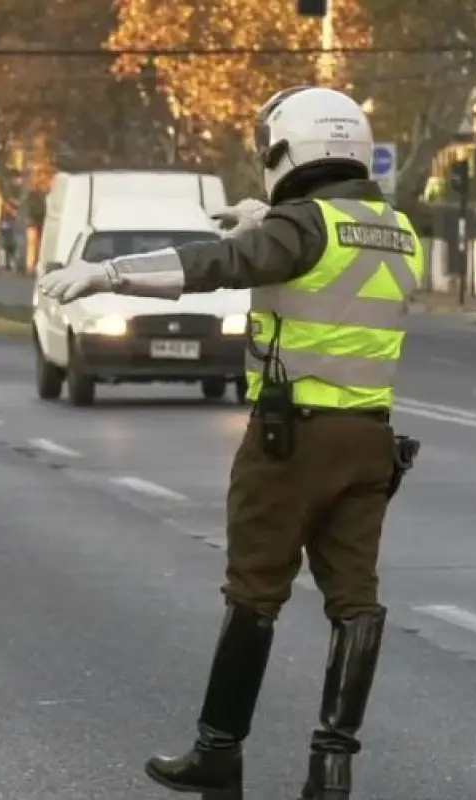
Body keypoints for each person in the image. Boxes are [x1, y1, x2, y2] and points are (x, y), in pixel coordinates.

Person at [40, 87, 424, 799]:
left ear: (289, 152)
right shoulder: (395, 229)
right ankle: (331, 770)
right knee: (356, 603)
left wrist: (109, 273)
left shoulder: (302, 227)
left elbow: (217, 266)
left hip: (292, 445)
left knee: (254, 594)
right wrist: (264, 217)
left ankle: (218, 752)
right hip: (369, 444)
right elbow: (324, 262)